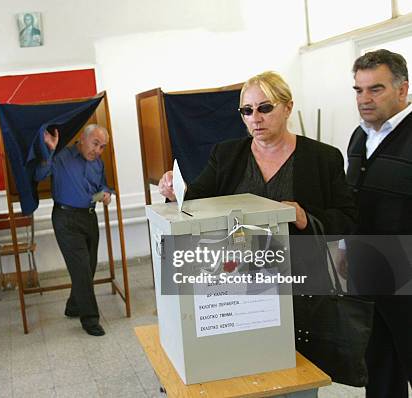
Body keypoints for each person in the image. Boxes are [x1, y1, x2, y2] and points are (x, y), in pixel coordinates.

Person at [158, 71, 357, 291]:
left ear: (288, 108)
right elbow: (196, 199)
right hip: (239, 279)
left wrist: (305, 218)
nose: (256, 118)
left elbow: (346, 219)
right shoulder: (226, 155)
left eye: (265, 108)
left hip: (301, 281)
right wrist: (176, 191)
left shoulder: (323, 157)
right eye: (247, 110)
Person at [345, 49, 412, 397]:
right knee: (380, 371)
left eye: (376, 89)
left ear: (403, 90)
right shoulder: (359, 138)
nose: (365, 99)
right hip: (369, 276)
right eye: (358, 90)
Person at [35, 124, 113, 336]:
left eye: (102, 146)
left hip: (89, 216)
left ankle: (73, 306)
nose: (98, 150)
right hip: (65, 218)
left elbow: (103, 186)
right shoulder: (62, 156)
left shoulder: (98, 163)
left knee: (89, 265)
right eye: (95, 144)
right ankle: (90, 320)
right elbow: (39, 174)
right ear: (82, 139)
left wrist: (106, 193)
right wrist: (50, 151)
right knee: (80, 269)